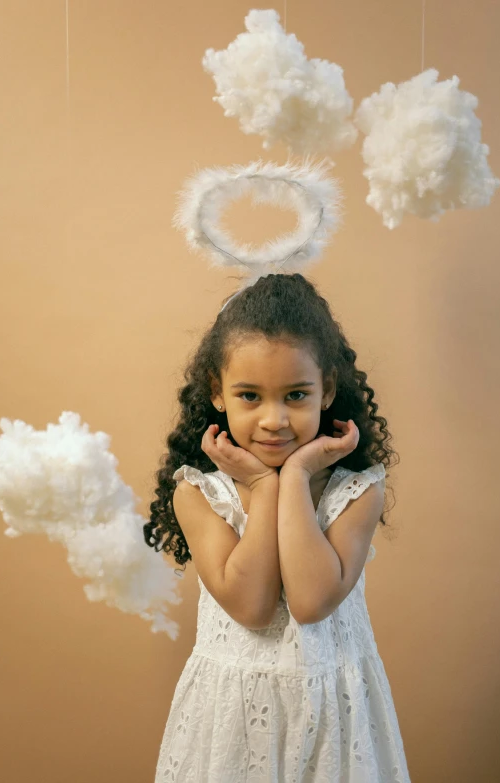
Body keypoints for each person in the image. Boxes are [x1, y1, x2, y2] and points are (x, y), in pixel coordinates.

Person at [144, 272, 411, 782]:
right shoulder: (199, 492)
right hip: (231, 717)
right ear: (216, 392)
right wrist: (265, 489)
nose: (273, 419)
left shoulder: (356, 490)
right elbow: (251, 607)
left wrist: (295, 477)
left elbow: (311, 602)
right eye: (250, 396)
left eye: (295, 395)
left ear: (326, 389)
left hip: (334, 712)